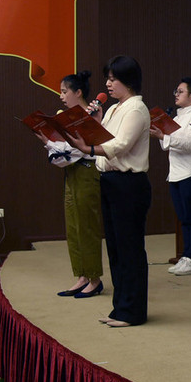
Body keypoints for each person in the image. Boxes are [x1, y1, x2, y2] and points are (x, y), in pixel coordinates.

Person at [69, 56, 151, 328]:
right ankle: (120, 308)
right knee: (115, 249)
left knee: (130, 249)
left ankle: (133, 312)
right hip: (110, 181)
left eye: (113, 79)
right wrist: (95, 122)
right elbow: (103, 138)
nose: (108, 83)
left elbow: (120, 145)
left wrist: (88, 149)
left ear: (128, 80)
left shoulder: (136, 108)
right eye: (108, 78)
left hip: (129, 184)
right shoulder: (115, 108)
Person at [37, 70, 104, 299]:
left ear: (78, 92)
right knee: (73, 227)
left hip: (87, 171)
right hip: (71, 172)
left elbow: (76, 150)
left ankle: (94, 278)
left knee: (87, 226)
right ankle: (81, 276)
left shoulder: (91, 115)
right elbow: (65, 153)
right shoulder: (65, 117)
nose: (61, 96)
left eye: (65, 91)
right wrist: (50, 143)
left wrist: (52, 145)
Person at [150, 77, 191, 276]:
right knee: (183, 218)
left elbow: (188, 144)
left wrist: (163, 136)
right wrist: (161, 133)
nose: (176, 94)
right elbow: (166, 145)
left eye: (180, 91)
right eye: (176, 91)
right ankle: (186, 256)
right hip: (175, 174)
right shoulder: (176, 118)